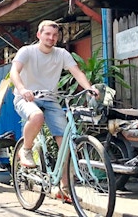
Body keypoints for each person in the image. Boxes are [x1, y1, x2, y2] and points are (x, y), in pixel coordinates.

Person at [10, 20, 99, 202]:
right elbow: (14, 72)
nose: (51, 38)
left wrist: (89, 88)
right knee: (36, 116)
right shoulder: (27, 51)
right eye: (47, 34)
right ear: (39, 35)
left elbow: (77, 72)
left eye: (55, 35)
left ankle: (65, 188)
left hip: (50, 99)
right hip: (26, 97)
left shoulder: (61, 54)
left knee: (65, 142)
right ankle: (26, 150)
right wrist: (22, 89)